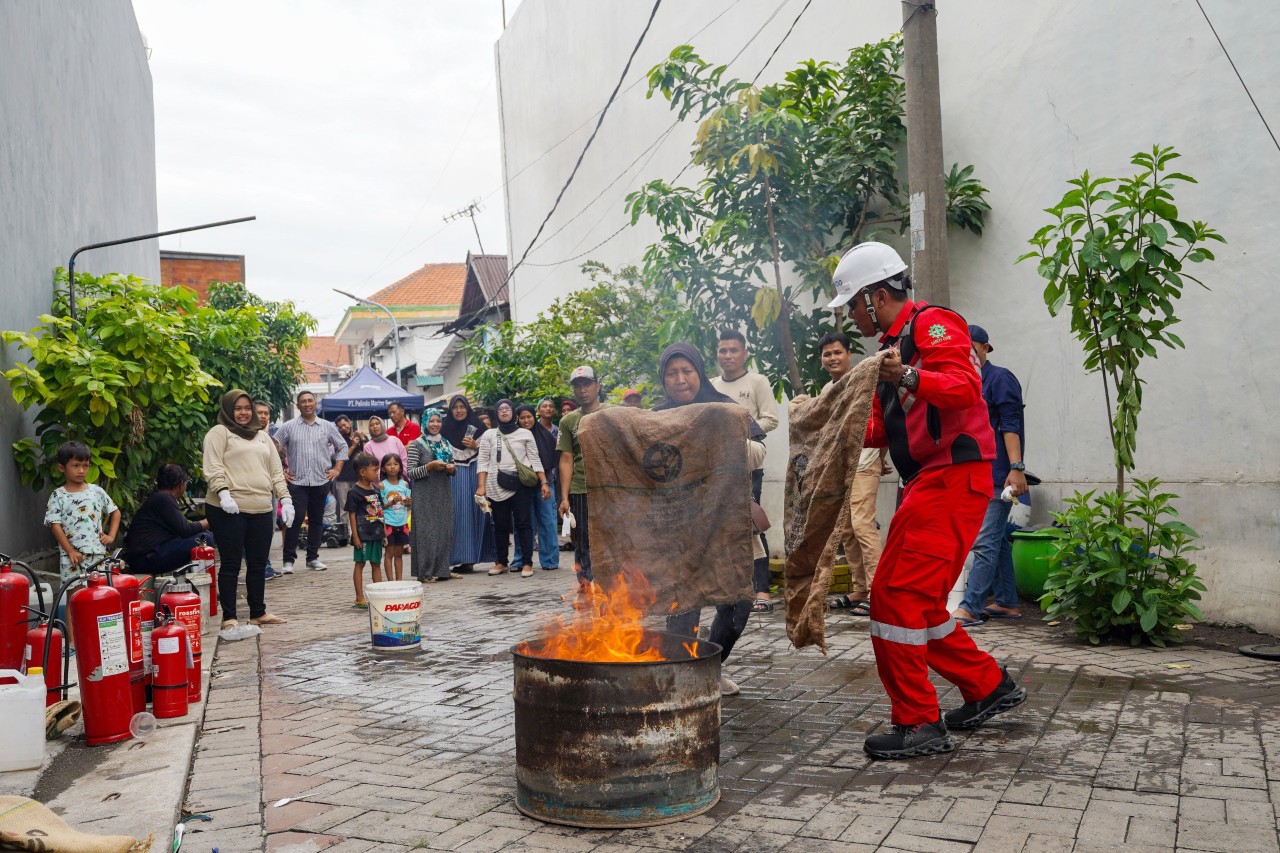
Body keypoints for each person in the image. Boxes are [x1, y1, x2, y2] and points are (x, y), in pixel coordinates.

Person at [827, 241, 1025, 759]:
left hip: (952, 478)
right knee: (914, 601)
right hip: (932, 483)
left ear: (874, 297)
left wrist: (909, 374)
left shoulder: (931, 325)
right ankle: (988, 686)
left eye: (851, 304)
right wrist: (827, 428)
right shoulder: (890, 350)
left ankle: (918, 722)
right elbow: (882, 427)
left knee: (894, 597)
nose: (850, 317)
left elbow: (964, 386)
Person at [657, 343, 767, 696]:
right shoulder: (655, 417)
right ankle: (680, 675)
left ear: (699, 373)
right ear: (664, 380)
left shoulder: (725, 408)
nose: (680, 379)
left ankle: (711, 669)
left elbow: (759, 452)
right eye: (671, 373)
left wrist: (721, 443)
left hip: (729, 521)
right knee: (684, 605)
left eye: (686, 370)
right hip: (681, 528)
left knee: (739, 605)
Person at [954, 325, 1028, 626]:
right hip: (976, 474)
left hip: (1000, 474)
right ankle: (1007, 602)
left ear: (986, 348)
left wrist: (1016, 468)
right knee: (996, 542)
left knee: (983, 541)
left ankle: (970, 607)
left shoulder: (999, 378)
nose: (967, 353)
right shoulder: (964, 382)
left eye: (972, 347)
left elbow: (1011, 424)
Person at [202, 389, 293, 628]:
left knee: (257, 562)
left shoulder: (263, 437)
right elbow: (213, 467)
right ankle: (229, 617)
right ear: (229, 410)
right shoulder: (219, 433)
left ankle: (257, 612)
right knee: (231, 563)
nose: (243, 413)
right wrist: (222, 492)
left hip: (261, 507)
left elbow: (275, 471)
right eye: (238, 408)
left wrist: (285, 499)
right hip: (228, 507)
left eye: (247, 408)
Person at [818, 332, 889, 616]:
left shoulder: (864, 381)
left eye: (837, 352)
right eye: (827, 354)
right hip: (839, 466)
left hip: (865, 461)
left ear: (848, 354)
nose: (833, 358)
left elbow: (882, 420)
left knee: (862, 525)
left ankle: (879, 592)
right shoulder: (827, 390)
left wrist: (881, 457)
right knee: (846, 529)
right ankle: (860, 587)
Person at [710, 329, 780, 614]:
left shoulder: (757, 382)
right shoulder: (711, 385)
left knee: (752, 525)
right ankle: (731, 589)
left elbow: (771, 419)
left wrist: (743, 434)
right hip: (715, 469)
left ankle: (762, 590)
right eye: (723, 350)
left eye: (733, 350)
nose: (727, 356)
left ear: (744, 353)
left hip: (748, 464)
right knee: (720, 528)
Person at [274, 390, 349, 572]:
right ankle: (288, 561)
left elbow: (342, 446)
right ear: (298, 405)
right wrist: (281, 471)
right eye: (303, 401)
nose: (307, 404)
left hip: (321, 480)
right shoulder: (288, 426)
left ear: (315, 403)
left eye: (310, 400)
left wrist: (337, 469)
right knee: (294, 519)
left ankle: (312, 558)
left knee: (316, 520)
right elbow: (273, 448)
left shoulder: (327, 426)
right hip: (297, 481)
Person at [476, 400, 548, 578]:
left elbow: (534, 458)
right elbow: (483, 461)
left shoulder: (524, 433)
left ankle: (527, 563)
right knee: (499, 525)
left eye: (508, 408)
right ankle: (501, 562)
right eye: (500, 409)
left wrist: (544, 482)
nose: (504, 412)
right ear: (496, 414)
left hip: (520, 484)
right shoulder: (489, 435)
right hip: (495, 484)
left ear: (513, 412)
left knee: (524, 524)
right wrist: (481, 486)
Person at [557, 366, 605, 593]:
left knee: (610, 538)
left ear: (598, 386)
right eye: (578, 385)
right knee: (583, 540)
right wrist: (564, 497)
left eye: (587, 384)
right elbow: (566, 459)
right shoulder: (568, 421)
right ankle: (585, 586)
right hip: (580, 489)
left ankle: (613, 586)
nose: (582, 390)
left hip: (610, 489)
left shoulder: (612, 415)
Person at [45, 441, 120, 583]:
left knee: (98, 594)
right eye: (75, 466)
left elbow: (115, 512)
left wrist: (111, 536)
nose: (81, 471)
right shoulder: (58, 495)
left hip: (97, 555)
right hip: (71, 557)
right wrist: (70, 551)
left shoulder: (96, 491)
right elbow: (55, 525)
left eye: (85, 466)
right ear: (61, 467)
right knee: (74, 595)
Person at [124, 464, 212, 574]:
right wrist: (212, 520)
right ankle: (199, 580)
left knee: (205, 534)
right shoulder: (164, 499)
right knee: (205, 539)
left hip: (145, 556)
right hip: (144, 559)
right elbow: (186, 530)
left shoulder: (160, 497)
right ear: (181, 484)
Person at [441, 395, 494, 571]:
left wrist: (475, 445)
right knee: (459, 514)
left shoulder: (479, 427)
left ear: (467, 408)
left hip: (476, 473)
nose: (458, 410)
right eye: (455, 407)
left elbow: (489, 452)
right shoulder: (444, 428)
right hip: (454, 475)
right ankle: (460, 558)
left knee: (477, 513)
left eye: (462, 406)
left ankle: (474, 558)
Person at [407, 409, 457, 582]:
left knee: (444, 531)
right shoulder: (416, 443)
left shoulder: (445, 442)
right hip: (424, 495)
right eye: (431, 421)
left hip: (443, 492)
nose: (435, 424)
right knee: (426, 533)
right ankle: (425, 573)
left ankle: (442, 571)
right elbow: (411, 473)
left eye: (438, 421)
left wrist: (452, 468)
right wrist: (430, 466)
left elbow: (453, 466)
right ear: (425, 422)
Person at [512, 404, 560, 571]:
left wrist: (545, 482)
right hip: (522, 486)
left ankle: (550, 560)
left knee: (547, 521)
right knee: (523, 523)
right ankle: (519, 560)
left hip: (545, 483)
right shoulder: (514, 437)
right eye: (522, 417)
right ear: (517, 419)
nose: (526, 421)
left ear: (535, 416)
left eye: (529, 417)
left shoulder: (546, 436)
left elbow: (552, 460)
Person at [344, 452, 386, 608]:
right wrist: (355, 536)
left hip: (376, 534)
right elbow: (352, 515)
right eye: (374, 470)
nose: (377, 473)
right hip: (362, 535)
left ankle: (378, 595)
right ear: (362, 472)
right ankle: (359, 597)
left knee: (376, 563)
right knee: (360, 564)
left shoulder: (375, 491)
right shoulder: (354, 493)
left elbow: (380, 512)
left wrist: (384, 532)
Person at [254, 399, 286, 580]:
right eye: (259, 413)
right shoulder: (243, 436)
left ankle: (265, 565)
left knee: (268, 529)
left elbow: (279, 460)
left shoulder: (272, 437)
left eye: (266, 413)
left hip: (270, 490)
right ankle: (261, 566)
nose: (263, 416)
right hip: (251, 492)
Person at [380, 454, 411, 582]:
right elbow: (380, 507)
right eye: (389, 464)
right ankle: (390, 581)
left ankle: (399, 580)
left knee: (399, 553)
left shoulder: (405, 485)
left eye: (395, 464)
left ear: (400, 467)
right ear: (383, 469)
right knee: (389, 553)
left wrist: (408, 501)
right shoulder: (382, 486)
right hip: (388, 524)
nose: (392, 467)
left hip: (402, 523)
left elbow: (408, 504)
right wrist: (391, 503)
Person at [332, 415, 364, 523]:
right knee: (344, 508)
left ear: (349, 422)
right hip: (343, 478)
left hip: (359, 478)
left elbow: (367, 454)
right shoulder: (338, 440)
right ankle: (345, 534)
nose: (343, 428)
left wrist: (363, 440)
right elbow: (341, 458)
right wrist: (353, 446)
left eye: (344, 425)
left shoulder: (359, 435)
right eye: (340, 427)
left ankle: (360, 532)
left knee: (360, 505)